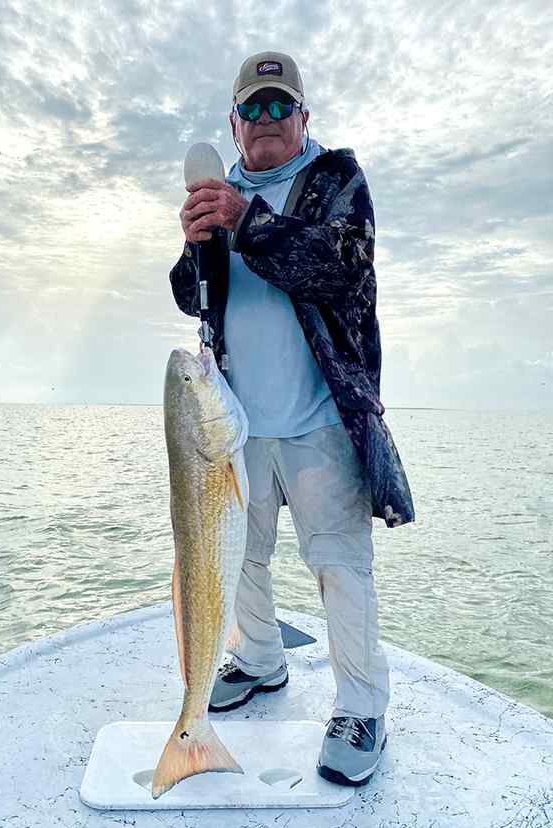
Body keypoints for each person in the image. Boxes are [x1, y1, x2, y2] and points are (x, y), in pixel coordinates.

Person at [169, 51, 415, 787]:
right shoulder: (221, 194)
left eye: (282, 105)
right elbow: (191, 296)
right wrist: (195, 244)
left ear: (304, 117)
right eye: (254, 107)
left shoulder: (335, 180)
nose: (268, 118)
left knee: (339, 564)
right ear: (234, 123)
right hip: (237, 425)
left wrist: (245, 221)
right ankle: (259, 659)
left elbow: (340, 266)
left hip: (321, 421)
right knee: (238, 554)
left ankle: (362, 707)